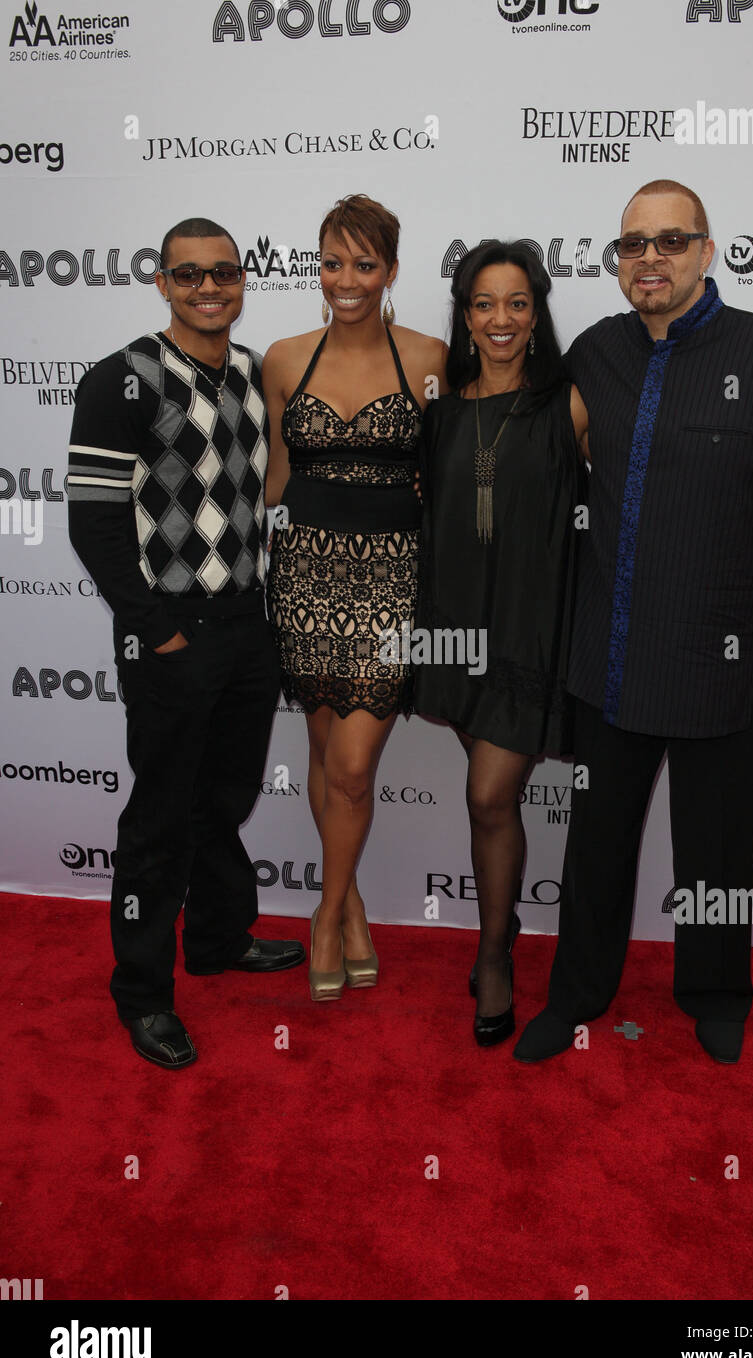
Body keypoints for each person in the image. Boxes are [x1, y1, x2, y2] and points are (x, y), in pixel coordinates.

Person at [514, 180, 753, 1066]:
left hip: (726, 661)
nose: (648, 259)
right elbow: (533, 467)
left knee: (718, 850)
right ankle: (578, 993)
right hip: (609, 660)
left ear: (706, 251)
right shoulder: (593, 355)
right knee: (594, 853)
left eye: (669, 241)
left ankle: (715, 992)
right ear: (617, 261)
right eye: (632, 246)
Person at [68, 216, 304, 1071]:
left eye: (225, 273)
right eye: (190, 274)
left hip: (247, 625)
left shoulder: (249, 372)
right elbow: (93, 527)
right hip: (172, 630)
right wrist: (155, 628)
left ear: (243, 281)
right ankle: (141, 996)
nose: (210, 288)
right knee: (162, 819)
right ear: (162, 283)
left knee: (226, 799)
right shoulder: (120, 380)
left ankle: (214, 937)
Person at [264, 194, 447, 1001]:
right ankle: (356, 908)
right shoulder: (282, 358)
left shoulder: (429, 357)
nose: (345, 279)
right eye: (331, 262)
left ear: (392, 271)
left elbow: (444, 478)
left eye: (363, 264)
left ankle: (323, 913)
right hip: (303, 577)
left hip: (390, 585)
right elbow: (273, 479)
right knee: (320, 752)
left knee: (350, 767)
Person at [413, 241, 587, 1046]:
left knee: (489, 796)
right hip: (453, 634)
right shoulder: (441, 408)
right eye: (484, 304)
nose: (501, 320)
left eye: (517, 302)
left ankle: (493, 954)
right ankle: (501, 928)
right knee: (491, 801)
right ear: (465, 314)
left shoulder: (569, 406)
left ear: (537, 310)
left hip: (529, 632)